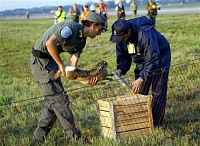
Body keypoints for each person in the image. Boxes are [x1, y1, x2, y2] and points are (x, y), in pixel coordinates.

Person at [30, 12, 107, 143]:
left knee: (52, 103)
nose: (100, 33)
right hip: (41, 61)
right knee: (60, 100)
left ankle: (37, 140)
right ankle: (76, 138)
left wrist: (87, 80)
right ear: (94, 25)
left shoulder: (82, 41)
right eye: (100, 29)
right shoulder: (71, 27)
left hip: (51, 62)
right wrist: (61, 64)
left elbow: (72, 67)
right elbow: (50, 44)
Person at [110, 16, 171, 127]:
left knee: (158, 92)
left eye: (122, 38)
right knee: (139, 92)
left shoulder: (145, 34)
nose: (120, 41)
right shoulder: (120, 36)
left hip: (159, 57)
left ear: (129, 32)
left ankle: (156, 125)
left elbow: (153, 58)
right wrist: (121, 69)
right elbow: (123, 55)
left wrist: (142, 77)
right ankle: (142, 122)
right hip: (141, 60)